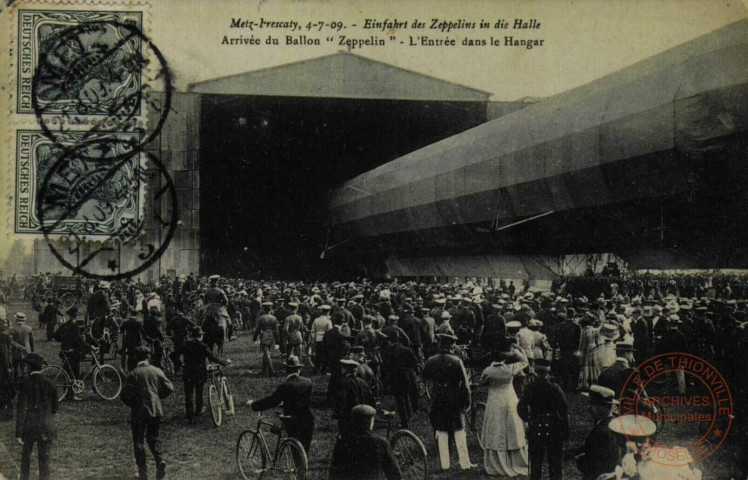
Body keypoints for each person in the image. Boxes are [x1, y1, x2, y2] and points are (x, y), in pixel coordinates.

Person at [422, 333, 475, 471]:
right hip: (454, 397)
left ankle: (445, 464)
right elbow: (465, 384)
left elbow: (424, 377)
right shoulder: (457, 361)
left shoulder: (431, 360)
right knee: (459, 429)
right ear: (451, 346)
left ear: (440, 345)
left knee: (441, 430)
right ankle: (465, 463)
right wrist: (467, 401)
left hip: (438, 397)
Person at [121, 346, 174, 480]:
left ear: (136, 358)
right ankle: (159, 460)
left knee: (138, 441)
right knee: (153, 438)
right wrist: (157, 397)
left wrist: (133, 403)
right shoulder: (156, 371)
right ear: (148, 357)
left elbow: (124, 394)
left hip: (138, 411)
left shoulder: (133, 374)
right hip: (155, 410)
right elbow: (169, 387)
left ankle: (143, 472)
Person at [480, 342, 530, 478]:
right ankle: (516, 460)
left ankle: (496, 462)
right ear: (504, 358)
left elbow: (482, 383)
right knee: (512, 427)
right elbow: (524, 360)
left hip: (494, 401)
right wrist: (514, 351)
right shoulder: (510, 368)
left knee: (495, 428)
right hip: (509, 399)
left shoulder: (488, 371)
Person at [247, 355, 314, 453]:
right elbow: (299, 399)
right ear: (298, 370)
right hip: (308, 420)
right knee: (303, 452)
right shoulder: (308, 382)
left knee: (294, 451)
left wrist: (254, 405)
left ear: (286, 370)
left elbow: (271, 401)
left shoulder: (285, 386)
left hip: (293, 422)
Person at [517, 358, 569, 480]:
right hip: (553, 427)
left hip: (536, 426)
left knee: (535, 463)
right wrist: (565, 430)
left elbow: (521, 407)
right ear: (548, 371)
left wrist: (529, 419)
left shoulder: (529, 388)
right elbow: (563, 410)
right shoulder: (555, 388)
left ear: (535, 371)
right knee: (555, 462)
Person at [329, 404, 402, 480]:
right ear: (371, 423)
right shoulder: (381, 443)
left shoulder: (342, 443)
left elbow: (333, 474)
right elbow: (395, 475)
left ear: (353, 421)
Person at [15, 353, 58, 480]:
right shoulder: (50, 383)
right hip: (46, 425)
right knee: (44, 460)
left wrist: (18, 432)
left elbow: (21, 409)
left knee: (25, 459)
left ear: (28, 367)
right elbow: (55, 408)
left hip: (30, 426)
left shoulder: (24, 384)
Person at [176, 326, 231, 423]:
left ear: (192, 335)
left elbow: (173, 354)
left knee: (188, 394)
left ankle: (190, 416)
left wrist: (180, 364)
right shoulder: (203, 346)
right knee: (199, 391)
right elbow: (213, 358)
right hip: (199, 371)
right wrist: (225, 362)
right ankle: (198, 410)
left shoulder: (185, 345)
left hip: (188, 371)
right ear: (200, 336)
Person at [576, 385, 622, 480]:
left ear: (601, 407)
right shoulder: (614, 423)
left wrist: (581, 460)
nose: (588, 407)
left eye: (592, 404)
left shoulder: (602, 431)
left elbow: (596, 464)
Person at [381, 331, 420, 429]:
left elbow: (385, 366)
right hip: (407, 376)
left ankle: (405, 421)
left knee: (400, 399)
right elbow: (414, 362)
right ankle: (408, 416)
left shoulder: (387, 351)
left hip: (395, 377)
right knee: (406, 396)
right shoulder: (406, 349)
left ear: (389, 340)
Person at [334, 359, 375, 437]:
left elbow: (341, 401)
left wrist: (338, 415)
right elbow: (371, 400)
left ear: (346, 370)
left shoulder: (343, 382)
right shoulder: (363, 382)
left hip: (349, 417)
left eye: (343, 368)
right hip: (363, 416)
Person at [253, 301, 279, 376]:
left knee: (267, 354)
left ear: (264, 309)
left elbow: (257, 329)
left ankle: (272, 371)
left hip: (264, 335)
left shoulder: (261, 318)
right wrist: (277, 340)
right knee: (266, 353)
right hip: (271, 336)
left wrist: (255, 337)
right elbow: (276, 330)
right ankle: (264, 370)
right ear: (270, 309)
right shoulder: (274, 318)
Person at [310, 304, 333, 374]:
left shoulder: (316, 320)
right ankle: (323, 370)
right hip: (326, 340)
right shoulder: (328, 321)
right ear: (328, 312)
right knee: (325, 355)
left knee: (318, 355)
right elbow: (330, 332)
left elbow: (313, 331)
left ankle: (315, 370)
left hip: (318, 339)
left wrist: (313, 340)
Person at [11, 312, 34, 377]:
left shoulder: (12, 329)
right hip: (26, 351)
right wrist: (32, 350)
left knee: (15, 367)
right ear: (23, 320)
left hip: (15, 351)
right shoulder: (29, 328)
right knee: (24, 367)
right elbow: (31, 341)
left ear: (16, 320)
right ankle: (24, 381)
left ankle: (15, 381)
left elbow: (11, 341)